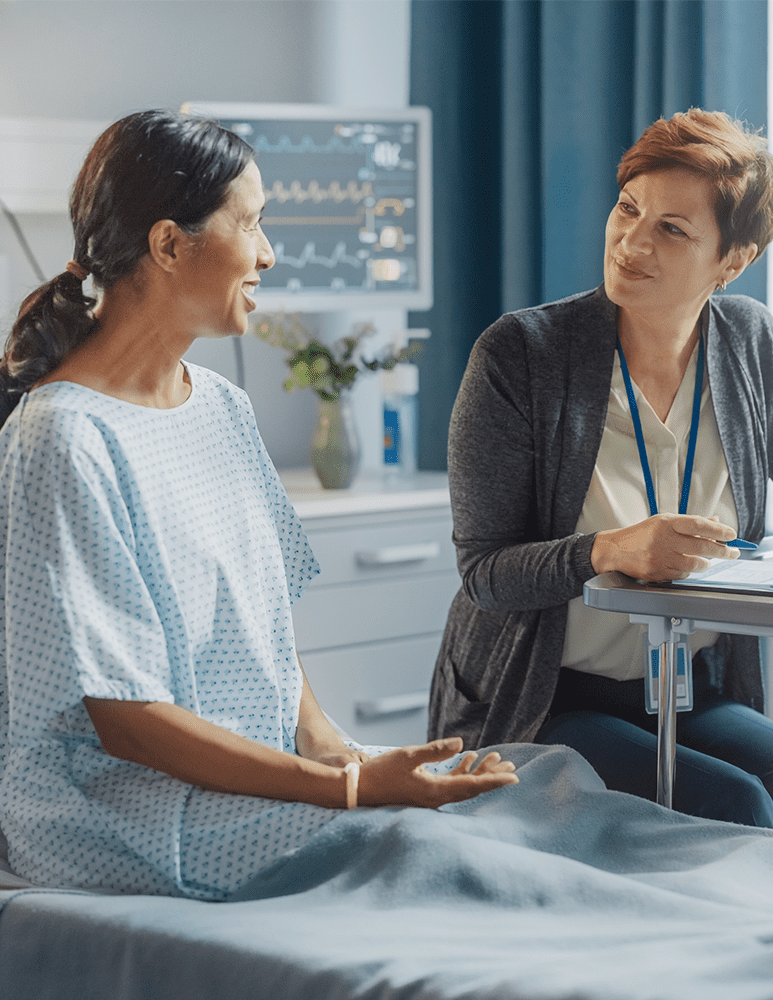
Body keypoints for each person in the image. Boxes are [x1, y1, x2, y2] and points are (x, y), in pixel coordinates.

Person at [0, 110, 518, 899]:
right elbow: (127, 720)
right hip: (116, 811)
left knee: (505, 803)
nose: (269, 253)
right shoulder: (64, 438)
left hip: (251, 779)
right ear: (171, 245)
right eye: (252, 223)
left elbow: (267, 633)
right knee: (421, 852)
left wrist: (338, 752)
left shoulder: (221, 407)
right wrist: (344, 794)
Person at [429, 109, 773, 844]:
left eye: (672, 230)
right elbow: (486, 572)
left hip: (682, 692)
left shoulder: (751, 345)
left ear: (731, 261)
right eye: (629, 209)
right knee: (735, 810)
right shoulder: (523, 355)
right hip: (545, 699)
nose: (632, 241)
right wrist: (607, 552)